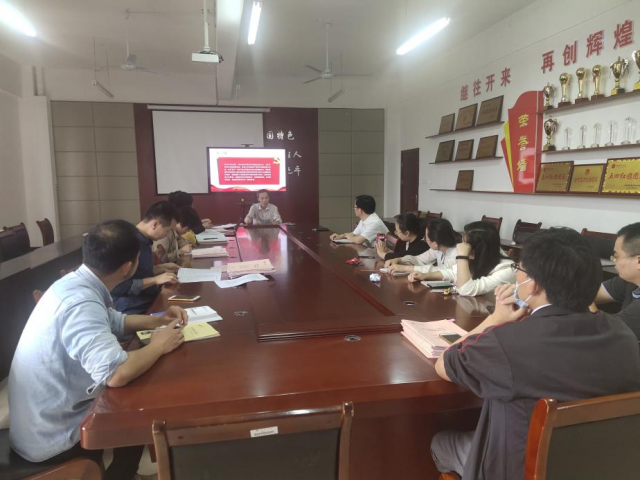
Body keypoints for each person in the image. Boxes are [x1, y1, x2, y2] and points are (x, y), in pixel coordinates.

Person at [430, 228, 640, 480]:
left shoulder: (508, 342)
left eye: (519, 268)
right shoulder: (623, 334)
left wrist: (495, 319)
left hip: (521, 469)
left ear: (533, 284)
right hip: (603, 466)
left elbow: (444, 364)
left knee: (441, 443)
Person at [8, 220, 188, 480]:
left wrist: (159, 320)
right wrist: (160, 345)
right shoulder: (79, 302)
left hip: (44, 418)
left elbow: (114, 320)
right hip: (51, 437)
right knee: (137, 408)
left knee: (137, 393)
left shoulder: (76, 283)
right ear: (128, 267)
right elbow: (116, 373)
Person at [406, 221, 514, 296]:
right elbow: (453, 272)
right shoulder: (480, 258)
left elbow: (466, 289)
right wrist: (425, 275)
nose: (460, 246)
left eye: (464, 244)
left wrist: (462, 256)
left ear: (479, 248)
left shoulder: (507, 269)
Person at [111, 201, 181, 314]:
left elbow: (138, 273)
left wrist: (160, 268)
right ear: (155, 224)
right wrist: (154, 280)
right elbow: (117, 286)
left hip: (148, 300)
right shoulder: (128, 242)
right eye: (168, 230)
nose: (167, 235)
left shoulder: (145, 241)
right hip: (133, 309)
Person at [592, 222, 640, 342]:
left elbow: (603, 333)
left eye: (616, 256)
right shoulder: (630, 281)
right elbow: (591, 293)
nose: (614, 261)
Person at [385, 218, 458, 274]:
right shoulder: (438, 248)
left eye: (426, 238)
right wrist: (400, 260)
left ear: (435, 243)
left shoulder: (456, 253)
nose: (424, 239)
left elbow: (440, 270)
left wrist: (405, 268)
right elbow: (419, 259)